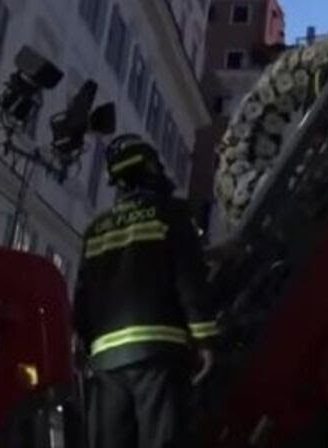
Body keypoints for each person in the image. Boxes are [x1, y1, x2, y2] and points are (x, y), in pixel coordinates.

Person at [73, 134, 221, 448]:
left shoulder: (96, 229)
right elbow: (188, 280)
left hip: (107, 362)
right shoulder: (171, 215)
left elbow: (82, 298)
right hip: (158, 354)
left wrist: (86, 351)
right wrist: (205, 340)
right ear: (149, 167)